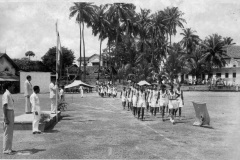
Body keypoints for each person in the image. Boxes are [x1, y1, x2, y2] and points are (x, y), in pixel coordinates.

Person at [2, 83, 16, 155]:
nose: (13, 87)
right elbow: (4, 106)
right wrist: (6, 117)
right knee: (7, 132)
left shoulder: (9, 94)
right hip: (8, 113)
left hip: (10, 112)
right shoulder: (6, 94)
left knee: (10, 132)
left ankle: (9, 148)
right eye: (12, 86)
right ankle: (6, 150)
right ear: (9, 87)